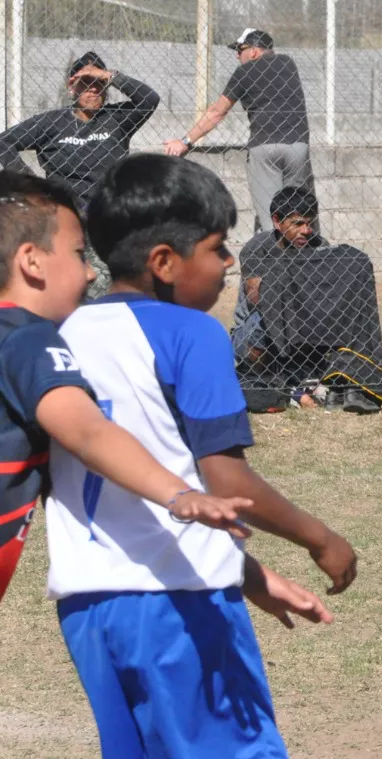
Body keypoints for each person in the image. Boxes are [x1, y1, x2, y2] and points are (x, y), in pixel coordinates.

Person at [45, 153, 358, 759]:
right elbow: (223, 480)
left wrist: (247, 575)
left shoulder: (61, 336)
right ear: (165, 261)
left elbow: (137, 490)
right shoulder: (193, 333)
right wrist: (321, 537)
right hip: (176, 610)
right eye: (218, 250)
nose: (228, 267)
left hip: (89, 608)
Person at [0, 170, 261, 605]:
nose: (88, 274)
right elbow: (87, 431)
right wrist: (177, 493)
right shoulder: (26, 337)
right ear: (32, 261)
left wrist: (249, 575)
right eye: (79, 254)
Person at [0, 51, 159, 299]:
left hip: (109, 213)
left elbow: (149, 99)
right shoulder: (52, 122)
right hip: (65, 212)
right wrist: (33, 183)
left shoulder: (117, 118)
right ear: (71, 87)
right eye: (85, 83)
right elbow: (4, 142)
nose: (93, 89)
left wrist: (108, 75)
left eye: (98, 83)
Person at [235, 187, 382, 414]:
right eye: (298, 223)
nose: (306, 230)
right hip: (255, 330)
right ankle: (271, 382)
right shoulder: (258, 248)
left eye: (310, 223)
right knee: (264, 325)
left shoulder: (319, 246)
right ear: (277, 221)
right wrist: (293, 276)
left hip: (303, 327)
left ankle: (319, 385)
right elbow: (257, 299)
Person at [164, 29, 315, 234]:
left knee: (273, 216)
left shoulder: (243, 73)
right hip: (298, 146)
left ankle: (275, 258)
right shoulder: (287, 63)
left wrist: (185, 141)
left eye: (240, 49)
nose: (237, 55)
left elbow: (217, 112)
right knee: (298, 211)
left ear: (253, 51)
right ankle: (303, 259)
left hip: (265, 148)